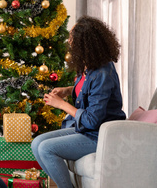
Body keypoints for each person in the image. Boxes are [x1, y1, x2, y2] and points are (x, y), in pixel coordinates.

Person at [31, 15, 126, 188]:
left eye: (72, 38)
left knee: (46, 149)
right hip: (87, 131)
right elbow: (89, 91)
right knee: (37, 143)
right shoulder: (89, 66)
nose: (69, 41)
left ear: (85, 43)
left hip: (100, 136)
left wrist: (61, 104)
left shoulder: (103, 73)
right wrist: (67, 90)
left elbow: (92, 119)